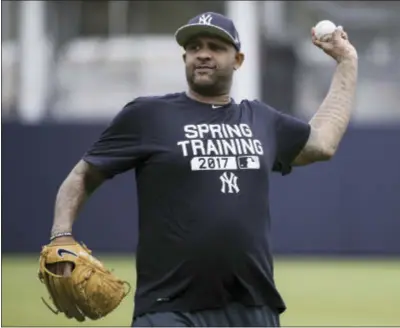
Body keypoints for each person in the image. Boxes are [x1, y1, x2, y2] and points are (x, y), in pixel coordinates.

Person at [47, 11, 358, 327]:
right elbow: (82, 175)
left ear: (238, 59)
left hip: (253, 307)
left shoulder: (261, 120)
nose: (203, 54)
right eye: (194, 47)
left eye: (215, 46)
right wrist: (61, 236)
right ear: (185, 57)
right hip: (169, 308)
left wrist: (347, 62)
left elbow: (322, 143)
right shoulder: (149, 115)